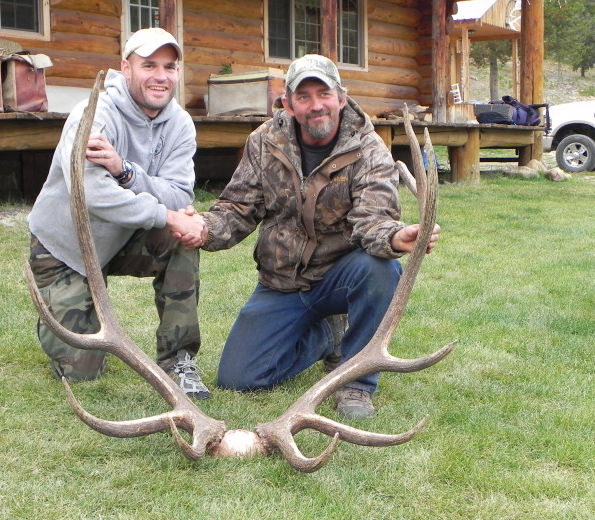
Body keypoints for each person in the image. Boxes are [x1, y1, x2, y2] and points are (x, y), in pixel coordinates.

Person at [176, 54, 440, 417]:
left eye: (324, 94)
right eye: (304, 97)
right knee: (240, 378)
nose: (316, 105)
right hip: (281, 282)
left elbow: (372, 220)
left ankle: (356, 382)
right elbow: (238, 209)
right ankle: (326, 337)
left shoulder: (368, 149)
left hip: (339, 277)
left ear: (341, 98)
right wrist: (203, 227)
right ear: (287, 103)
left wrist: (395, 238)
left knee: (380, 270)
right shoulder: (264, 142)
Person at [27, 27, 211, 399]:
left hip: (125, 237)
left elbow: (178, 195)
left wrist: (124, 170)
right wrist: (166, 213)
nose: (161, 76)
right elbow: (91, 193)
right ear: (125, 68)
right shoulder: (93, 115)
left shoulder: (180, 123)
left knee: (182, 236)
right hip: (67, 250)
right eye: (149, 65)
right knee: (82, 371)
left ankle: (179, 359)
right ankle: (59, 314)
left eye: (170, 67)